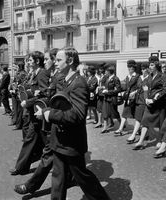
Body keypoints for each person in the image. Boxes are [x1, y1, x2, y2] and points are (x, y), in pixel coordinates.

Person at [34, 47, 111, 200]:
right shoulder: (64, 80)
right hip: (60, 139)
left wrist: (49, 114)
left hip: (72, 143)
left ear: (69, 61)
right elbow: (60, 104)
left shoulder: (79, 83)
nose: (55, 63)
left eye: (59, 60)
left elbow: (78, 115)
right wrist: (46, 109)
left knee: (83, 177)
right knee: (58, 177)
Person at [9, 51, 50, 176]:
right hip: (34, 114)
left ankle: (69, 170)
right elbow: (31, 90)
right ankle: (22, 167)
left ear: (37, 61)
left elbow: (45, 94)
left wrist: (28, 102)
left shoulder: (42, 73)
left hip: (40, 113)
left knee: (49, 144)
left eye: (30, 60)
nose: (28, 62)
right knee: (30, 140)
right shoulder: (33, 73)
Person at [133, 56, 165, 150]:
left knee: (160, 123)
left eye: (151, 65)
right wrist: (146, 98)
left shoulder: (162, 76)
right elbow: (145, 87)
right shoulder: (149, 77)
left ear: (156, 65)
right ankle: (140, 141)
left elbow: (164, 90)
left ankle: (159, 141)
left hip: (159, 104)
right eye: (149, 65)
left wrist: (155, 98)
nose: (150, 67)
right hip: (149, 104)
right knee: (145, 121)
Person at [114, 60, 140, 135]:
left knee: (136, 115)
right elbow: (126, 86)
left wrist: (134, 92)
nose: (129, 69)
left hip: (135, 99)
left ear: (134, 68)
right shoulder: (127, 77)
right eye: (128, 68)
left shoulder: (137, 76)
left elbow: (139, 87)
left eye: (131, 68)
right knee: (124, 114)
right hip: (128, 98)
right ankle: (120, 129)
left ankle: (138, 129)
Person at [126, 62, 149, 144]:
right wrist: (134, 93)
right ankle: (143, 134)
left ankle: (134, 135)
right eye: (142, 69)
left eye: (145, 69)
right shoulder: (140, 77)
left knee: (140, 119)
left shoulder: (149, 78)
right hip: (138, 100)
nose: (143, 70)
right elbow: (138, 88)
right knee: (139, 119)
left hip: (145, 101)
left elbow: (147, 89)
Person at [101, 64, 121, 133]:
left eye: (106, 71)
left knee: (115, 113)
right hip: (106, 98)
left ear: (109, 71)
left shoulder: (115, 78)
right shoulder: (107, 78)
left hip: (112, 98)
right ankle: (105, 127)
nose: (105, 72)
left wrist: (108, 91)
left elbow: (118, 89)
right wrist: (104, 88)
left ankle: (121, 124)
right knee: (105, 112)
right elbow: (106, 86)